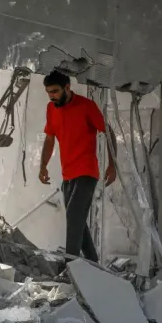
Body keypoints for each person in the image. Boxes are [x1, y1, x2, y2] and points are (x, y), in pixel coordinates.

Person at [38, 71, 116, 262]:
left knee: (73, 217)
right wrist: (43, 165)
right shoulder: (51, 108)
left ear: (67, 88)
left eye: (55, 91)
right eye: (48, 92)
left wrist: (113, 165)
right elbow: (49, 138)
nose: (52, 96)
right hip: (68, 175)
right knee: (78, 223)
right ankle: (94, 264)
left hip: (87, 172)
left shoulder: (87, 106)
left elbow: (109, 133)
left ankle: (70, 268)